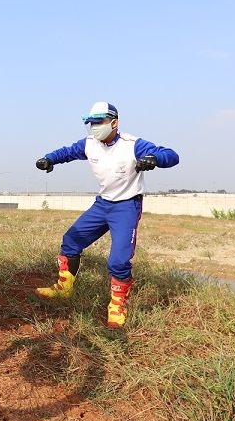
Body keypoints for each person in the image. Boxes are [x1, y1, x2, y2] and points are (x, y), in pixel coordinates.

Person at [34, 102, 179, 328]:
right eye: (91, 123)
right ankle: (64, 288)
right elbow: (67, 152)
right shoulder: (90, 144)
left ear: (114, 122)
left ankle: (117, 306)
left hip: (126, 207)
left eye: (99, 122)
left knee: (118, 260)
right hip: (102, 205)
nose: (94, 127)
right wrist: (50, 159)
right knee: (71, 241)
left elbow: (171, 155)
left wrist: (155, 159)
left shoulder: (132, 145)